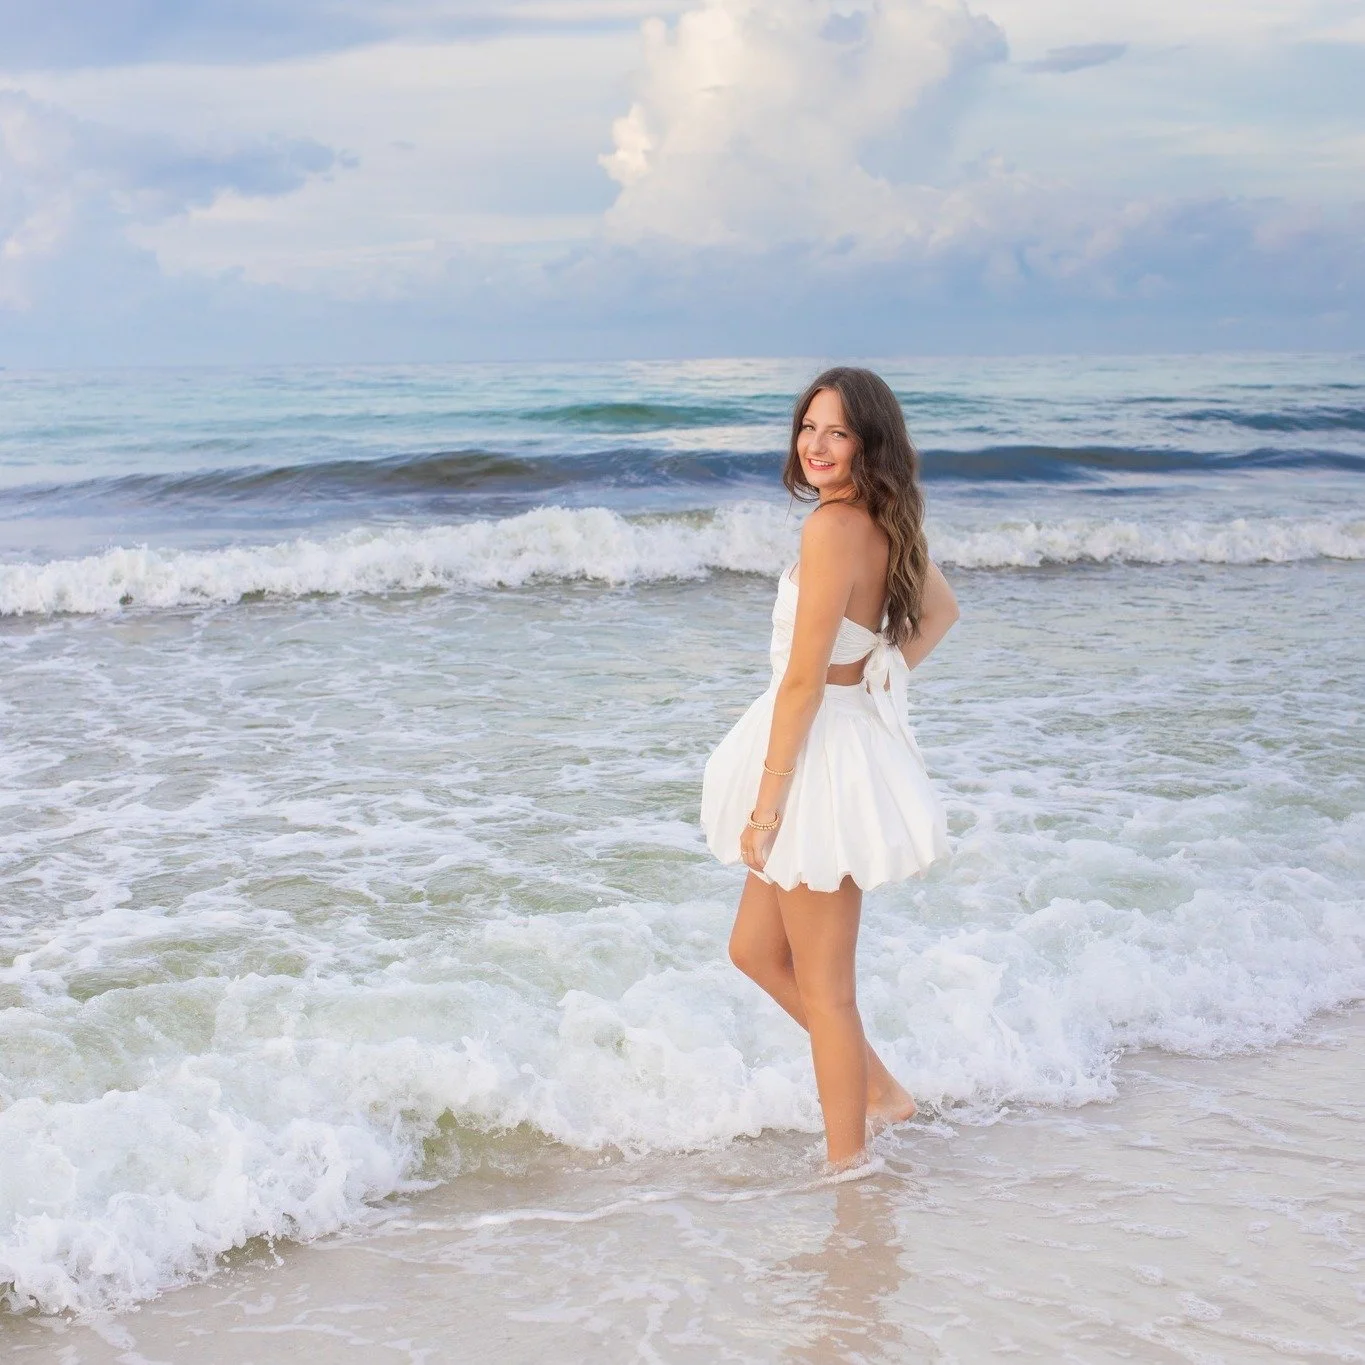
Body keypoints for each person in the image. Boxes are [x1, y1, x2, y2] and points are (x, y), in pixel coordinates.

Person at [699, 366, 959, 1172]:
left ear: (866, 441)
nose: (815, 443)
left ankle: (848, 1170)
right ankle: (879, 1091)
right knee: (752, 949)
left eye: (836, 431)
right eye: (808, 426)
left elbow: (805, 678)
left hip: (815, 757)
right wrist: (881, 665)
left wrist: (767, 807)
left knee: (827, 988)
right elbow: (939, 612)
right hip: (825, 737)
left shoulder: (830, 529)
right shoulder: (880, 516)